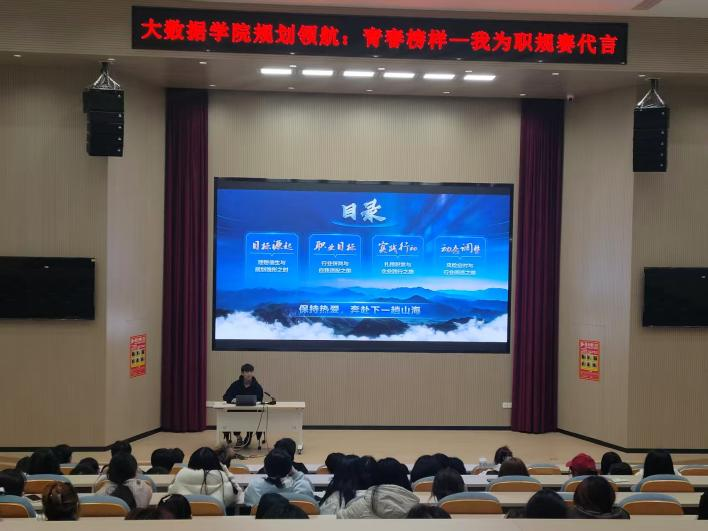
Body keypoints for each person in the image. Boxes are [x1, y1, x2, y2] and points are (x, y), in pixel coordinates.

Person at [336, 457, 418, 519]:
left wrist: (347, 503)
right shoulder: (416, 506)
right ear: (404, 478)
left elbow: (340, 518)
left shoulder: (360, 505)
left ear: (374, 478)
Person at [168, 447, 244, 511]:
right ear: (216, 463)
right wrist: (225, 470)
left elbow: (171, 492)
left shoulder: (181, 474)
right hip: (215, 523)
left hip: (183, 522)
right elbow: (237, 495)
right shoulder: (222, 477)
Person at [243, 448, 314, 506]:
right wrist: (296, 474)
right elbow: (310, 490)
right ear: (290, 469)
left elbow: (249, 504)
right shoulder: (302, 486)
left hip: (264, 519)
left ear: (265, 469)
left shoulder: (254, 486)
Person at [222, 363, 265, 447]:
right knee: (231, 417)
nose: (249, 374)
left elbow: (260, 399)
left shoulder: (257, 386)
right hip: (236, 411)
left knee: (254, 417)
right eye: (247, 371)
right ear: (242, 373)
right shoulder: (235, 385)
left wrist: (255, 401)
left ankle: (249, 436)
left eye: (251, 371)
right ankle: (238, 437)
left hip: (252, 411)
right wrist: (233, 400)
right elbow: (225, 396)